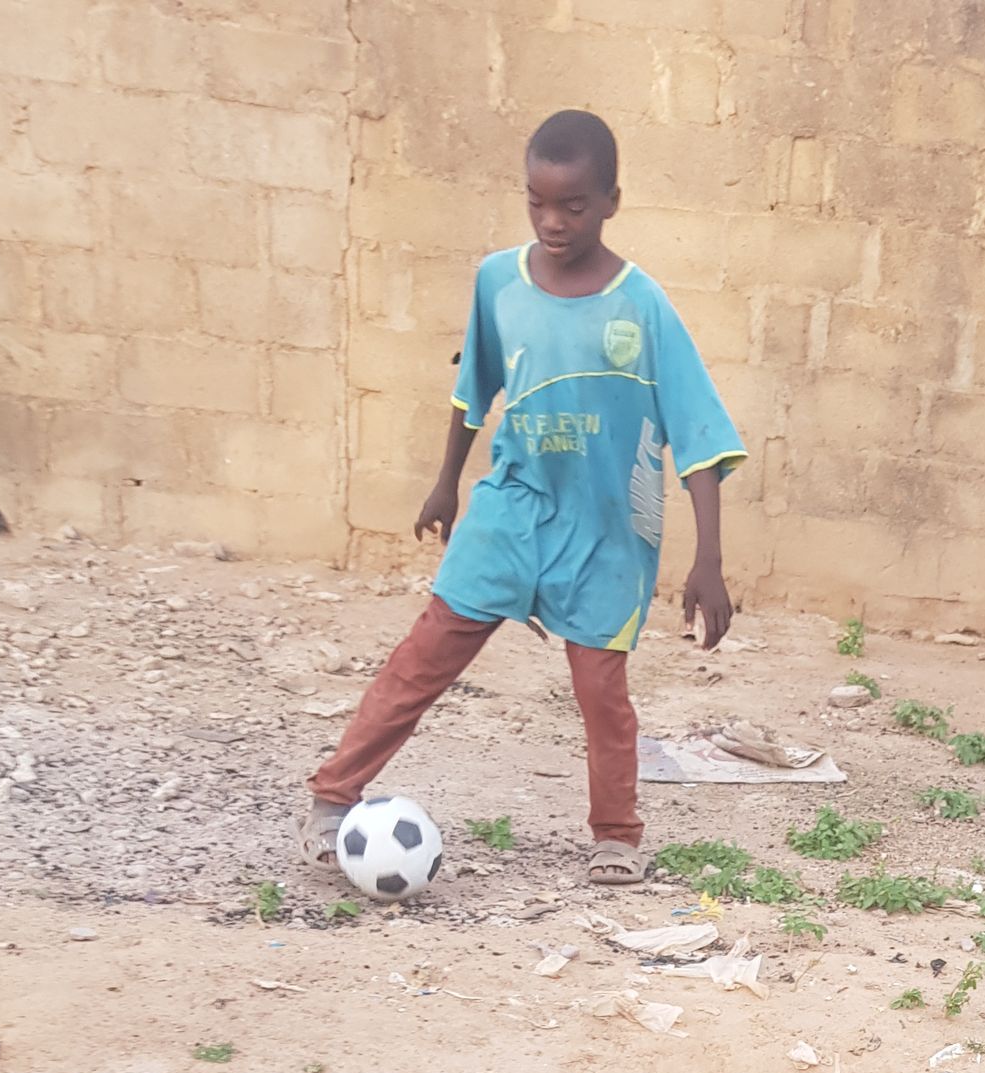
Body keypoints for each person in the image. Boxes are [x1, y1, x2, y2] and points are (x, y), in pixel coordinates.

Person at [308, 108, 745, 886]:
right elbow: (473, 390)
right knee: (425, 654)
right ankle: (332, 798)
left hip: (606, 532)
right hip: (510, 507)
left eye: (572, 206)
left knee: (601, 692)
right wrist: (446, 483)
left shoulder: (643, 307)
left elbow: (700, 436)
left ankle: (616, 836)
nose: (552, 222)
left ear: (611, 201)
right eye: (537, 203)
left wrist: (708, 561)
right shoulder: (498, 283)